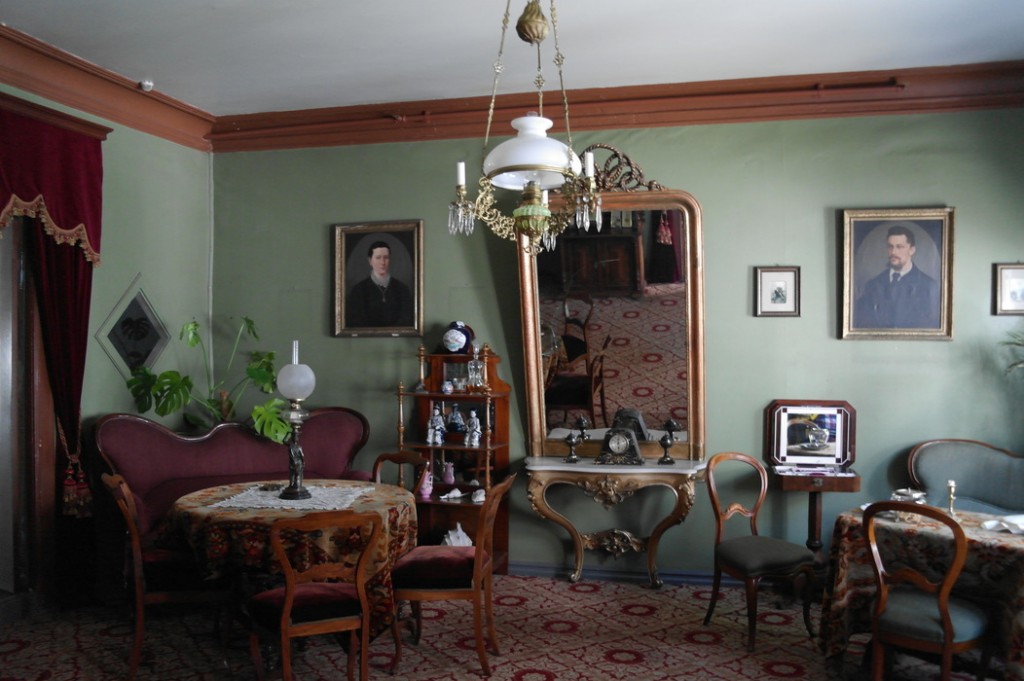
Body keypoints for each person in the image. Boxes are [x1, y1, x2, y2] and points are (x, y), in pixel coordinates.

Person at [854, 225, 940, 329]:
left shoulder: (928, 286)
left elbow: (931, 326)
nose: (893, 252)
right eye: (890, 247)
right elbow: (862, 324)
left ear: (912, 250)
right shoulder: (872, 286)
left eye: (899, 247)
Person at [346, 240, 414, 328]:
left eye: (386, 257)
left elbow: (406, 320)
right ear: (370, 261)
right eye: (378, 257)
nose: (383, 262)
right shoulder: (358, 290)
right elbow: (356, 321)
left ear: (390, 260)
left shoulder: (402, 289)